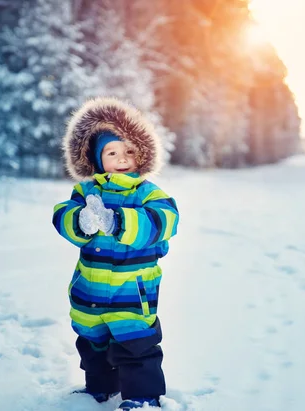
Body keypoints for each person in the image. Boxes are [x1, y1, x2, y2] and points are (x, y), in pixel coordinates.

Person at [52, 97, 179, 410]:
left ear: (141, 154)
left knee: (136, 345)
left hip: (131, 293)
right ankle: (100, 388)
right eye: (112, 152)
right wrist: (79, 220)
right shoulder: (86, 192)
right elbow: (62, 216)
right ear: (96, 159)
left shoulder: (146, 192)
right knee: (93, 345)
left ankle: (143, 397)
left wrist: (118, 221)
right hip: (89, 291)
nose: (122, 158)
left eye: (129, 151)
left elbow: (164, 221)